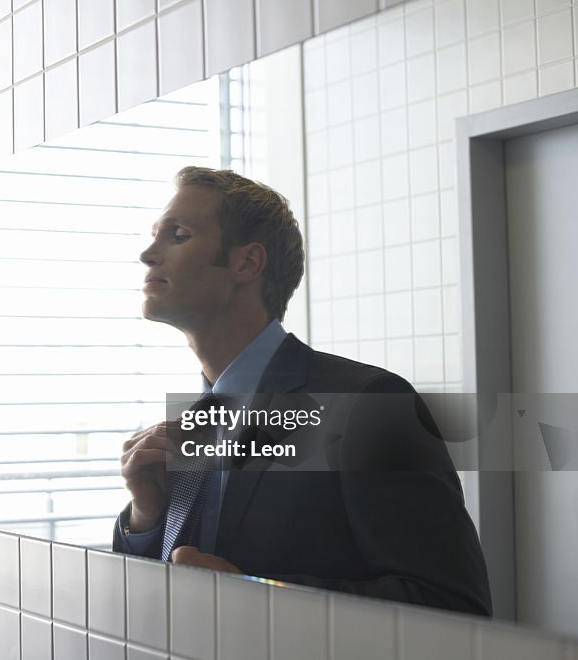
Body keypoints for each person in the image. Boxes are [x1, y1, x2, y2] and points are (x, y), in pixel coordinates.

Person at [113, 166, 492, 616]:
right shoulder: (194, 421)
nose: (147, 254)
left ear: (247, 263)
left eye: (177, 234)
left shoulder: (367, 405)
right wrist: (145, 517)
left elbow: (453, 606)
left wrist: (255, 595)